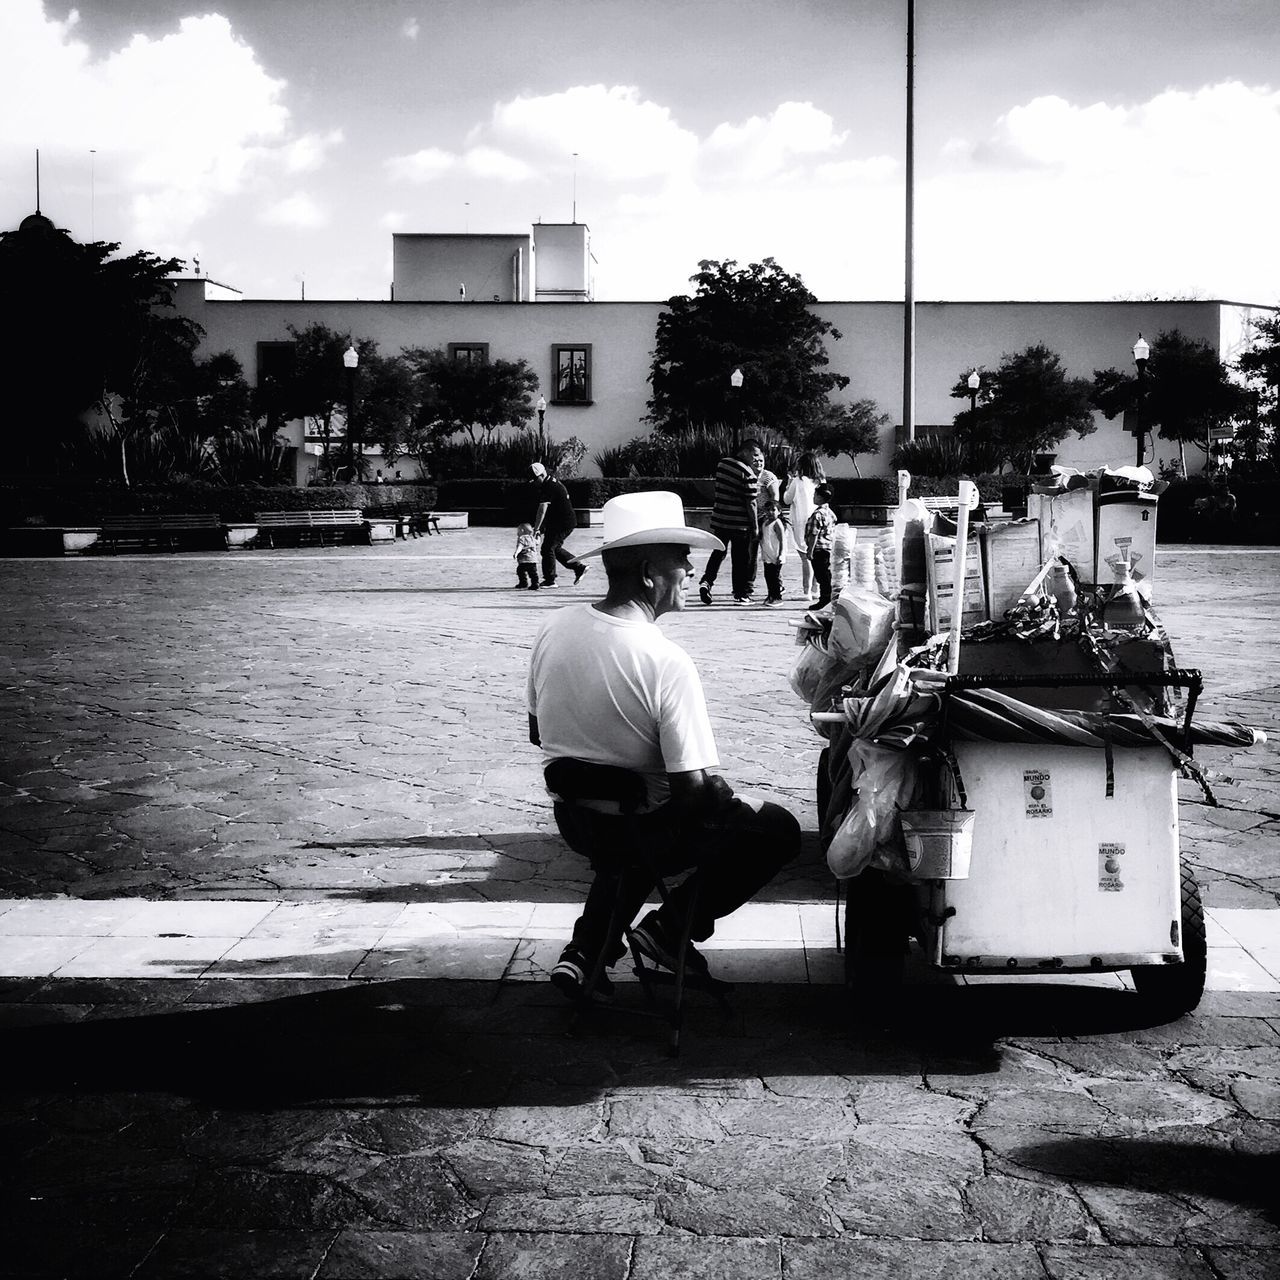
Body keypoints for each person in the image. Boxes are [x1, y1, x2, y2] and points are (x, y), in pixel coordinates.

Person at [527, 490, 801, 1001]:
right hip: (642, 828)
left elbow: (538, 733)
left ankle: (588, 952)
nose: (692, 569)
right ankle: (670, 929)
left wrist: (609, 767)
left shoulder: (553, 626)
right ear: (651, 572)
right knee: (776, 830)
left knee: (633, 828)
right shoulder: (664, 660)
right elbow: (693, 792)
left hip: (578, 819)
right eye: (683, 557)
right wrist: (730, 797)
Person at [698, 440, 764, 605]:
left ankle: (707, 581)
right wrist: (755, 527)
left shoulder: (723, 464)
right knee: (740, 559)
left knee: (718, 552)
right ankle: (741, 593)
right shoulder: (748, 474)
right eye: (754, 455)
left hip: (721, 519)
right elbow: (752, 503)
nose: (756, 459)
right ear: (745, 452)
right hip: (739, 524)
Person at [530, 462, 589, 588]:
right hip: (562, 521)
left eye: (535, 479)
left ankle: (550, 580)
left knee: (547, 549)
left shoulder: (549, 486)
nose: (534, 482)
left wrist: (537, 528)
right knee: (554, 548)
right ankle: (579, 567)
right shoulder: (550, 482)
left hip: (563, 522)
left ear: (541, 475)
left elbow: (543, 509)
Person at [784, 451, 826, 603]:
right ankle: (815, 588)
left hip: (802, 522)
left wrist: (788, 484)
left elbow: (787, 500)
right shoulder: (821, 480)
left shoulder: (798, 481)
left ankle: (806, 590)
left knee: (805, 556)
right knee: (816, 554)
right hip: (819, 519)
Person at [805, 483, 838, 609]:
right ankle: (827, 597)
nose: (813, 497)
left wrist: (810, 550)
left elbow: (814, 534)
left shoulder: (817, 514)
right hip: (828, 547)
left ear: (819, 497)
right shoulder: (830, 513)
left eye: (815, 494)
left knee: (821, 576)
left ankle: (825, 599)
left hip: (818, 549)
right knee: (826, 575)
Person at [759, 498, 788, 606]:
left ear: (779, 511)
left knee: (774, 577)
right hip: (767, 555)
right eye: (767, 510)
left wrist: (780, 554)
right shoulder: (765, 522)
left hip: (775, 555)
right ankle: (770, 595)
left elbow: (782, 541)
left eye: (773, 510)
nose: (770, 512)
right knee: (768, 576)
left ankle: (777, 597)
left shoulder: (777, 523)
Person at [513, 522, 540, 590]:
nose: (517, 532)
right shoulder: (531, 538)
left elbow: (520, 546)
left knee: (520, 571)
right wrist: (538, 535)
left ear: (522, 530)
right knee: (533, 573)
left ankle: (523, 583)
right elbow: (538, 542)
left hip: (524, 560)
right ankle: (535, 583)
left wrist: (516, 553)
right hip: (533, 560)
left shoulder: (522, 538)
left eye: (518, 531)